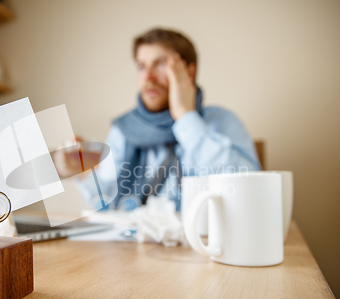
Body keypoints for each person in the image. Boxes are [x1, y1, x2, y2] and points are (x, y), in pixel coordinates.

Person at [58, 28, 261, 211]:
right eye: (141, 66)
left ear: (189, 72)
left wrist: (185, 116)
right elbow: (106, 204)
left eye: (161, 64)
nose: (148, 78)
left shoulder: (221, 121)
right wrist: (84, 173)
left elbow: (250, 189)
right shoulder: (124, 130)